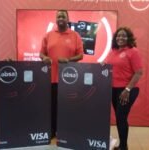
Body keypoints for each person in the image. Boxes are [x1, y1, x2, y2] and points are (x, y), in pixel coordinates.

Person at [40, 10, 83, 138]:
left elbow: (81, 55)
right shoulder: (48, 35)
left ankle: (65, 131)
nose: (60, 18)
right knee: (52, 106)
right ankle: (52, 131)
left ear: (68, 18)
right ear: (56, 19)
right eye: (58, 16)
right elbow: (41, 53)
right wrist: (44, 58)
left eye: (63, 16)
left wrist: (68, 60)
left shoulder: (75, 35)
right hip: (51, 78)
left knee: (67, 106)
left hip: (69, 78)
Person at [105, 27, 143, 150]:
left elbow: (138, 72)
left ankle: (123, 146)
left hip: (127, 90)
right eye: (118, 36)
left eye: (123, 36)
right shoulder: (113, 51)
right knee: (119, 117)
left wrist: (127, 90)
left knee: (121, 117)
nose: (120, 38)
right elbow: (107, 66)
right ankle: (123, 145)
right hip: (114, 89)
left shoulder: (133, 51)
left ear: (129, 38)